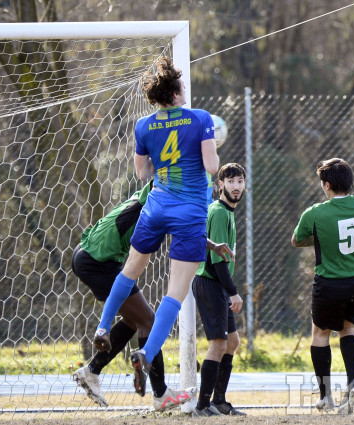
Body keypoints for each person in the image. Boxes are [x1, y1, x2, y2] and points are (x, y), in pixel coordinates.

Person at [92, 56, 220, 397]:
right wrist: (210, 147)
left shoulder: (144, 126)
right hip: (189, 212)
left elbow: (141, 174)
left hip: (156, 207)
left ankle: (103, 326)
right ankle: (145, 354)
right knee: (175, 293)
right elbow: (211, 165)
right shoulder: (201, 119)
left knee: (130, 270)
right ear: (177, 92)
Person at [71, 179, 232, 410]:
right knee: (147, 320)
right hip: (98, 260)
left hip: (89, 252)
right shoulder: (166, 194)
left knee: (135, 319)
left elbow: (180, 228)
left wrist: (212, 245)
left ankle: (92, 371)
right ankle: (160, 394)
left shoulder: (157, 192)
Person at [292, 158, 354, 414]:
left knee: (320, 333)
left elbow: (296, 241)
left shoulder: (315, 212)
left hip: (331, 283)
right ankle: (353, 382)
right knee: (348, 327)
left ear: (326, 185)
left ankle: (325, 396)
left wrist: (320, 240)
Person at [192, 163, 247, 417]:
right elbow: (216, 262)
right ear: (220, 185)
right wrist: (233, 292)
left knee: (232, 342)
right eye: (231, 181)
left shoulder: (229, 212)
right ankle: (202, 406)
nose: (236, 186)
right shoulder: (219, 212)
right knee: (217, 343)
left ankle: (220, 401)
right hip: (210, 283)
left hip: (218, 285)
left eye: (240, 181)